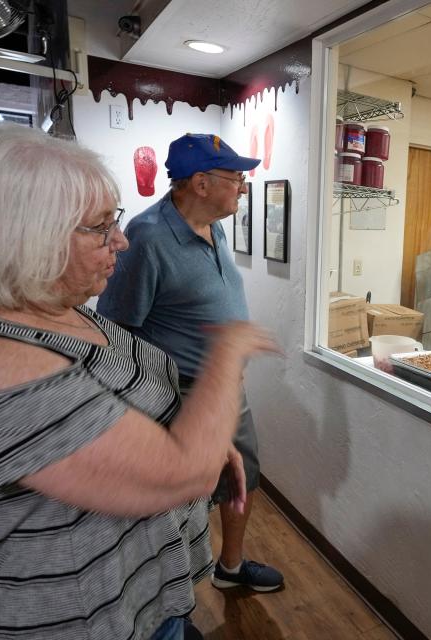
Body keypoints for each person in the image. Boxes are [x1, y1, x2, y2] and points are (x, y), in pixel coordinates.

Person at [0, 123, 278, 640]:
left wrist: (194, 426)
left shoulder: (53, 309)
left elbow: (116, 387)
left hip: (145, 600)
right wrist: (228, 350)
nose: (121, 240)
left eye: (117, 220)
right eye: (100, 226)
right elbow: (186, 474)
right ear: (23, 237)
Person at [97, 133, 284, 592]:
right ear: (201, 182)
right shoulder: (147, 237)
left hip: (226, 389)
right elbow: (116, 330)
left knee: (245, 476)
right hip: (177, 392)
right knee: (181, 499)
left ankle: (231, 570)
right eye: (236, 177)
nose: (243, 186)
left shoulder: (215, 225)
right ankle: (176, 601)